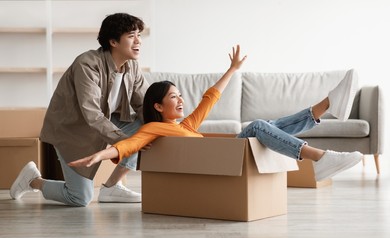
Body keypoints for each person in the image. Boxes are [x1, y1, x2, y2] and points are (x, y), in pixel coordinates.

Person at [67, 45, 362, 181]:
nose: (181, 101)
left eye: (180, 95)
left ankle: (327, 106)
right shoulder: (154, 129)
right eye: (174, 97)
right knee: (260, 125)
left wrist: (232, 69)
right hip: (224, 159)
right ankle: (319, 156)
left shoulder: (187, 125)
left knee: (267, 126)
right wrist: (100, 155)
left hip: (230, 150)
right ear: (157, 106)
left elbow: (210, 98)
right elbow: (127, 146)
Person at [10, 13, 150, 206]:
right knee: (79, 198)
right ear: (113, 41)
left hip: (107, 122)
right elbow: (91, 114)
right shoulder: (87, 64)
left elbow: (144, 105)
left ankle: (111, 187)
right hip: (73, 130)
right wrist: (126, 142)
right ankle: (33, 180)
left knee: (147, 127)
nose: (138, 41)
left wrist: (164, 128)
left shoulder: (132, 66)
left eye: (139, 35)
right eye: (131, 36)